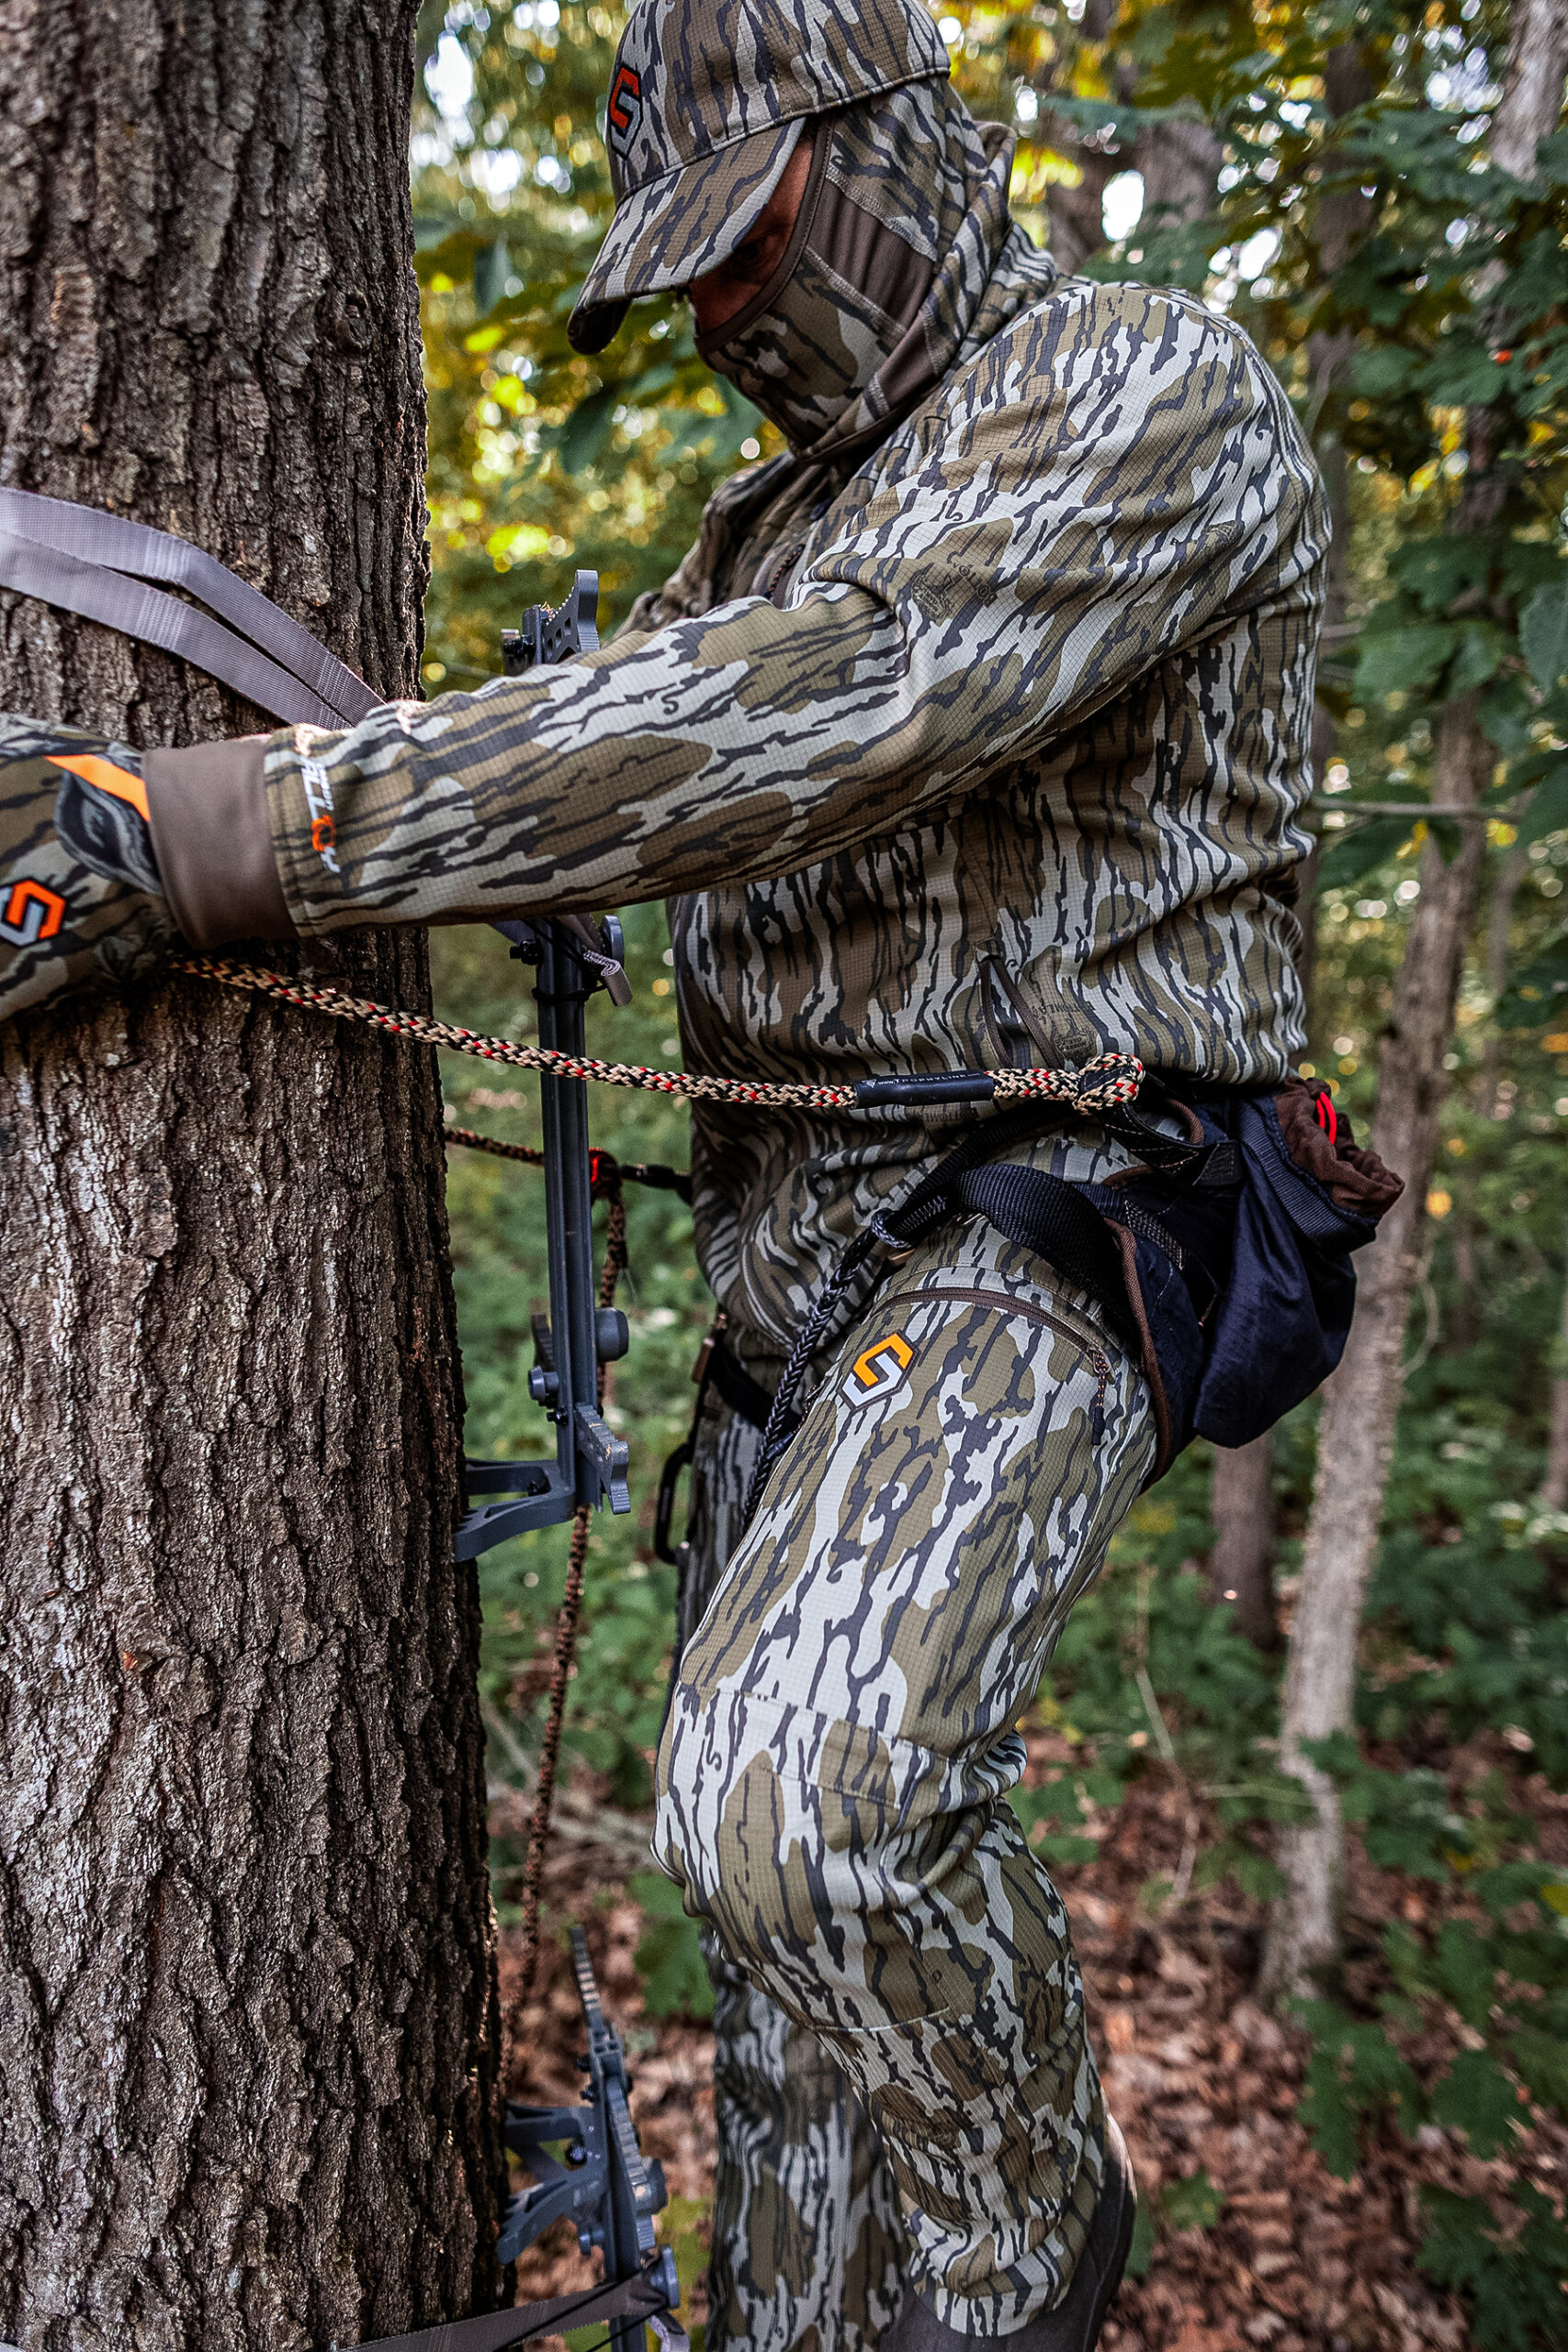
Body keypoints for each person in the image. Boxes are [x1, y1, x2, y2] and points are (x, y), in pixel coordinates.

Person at [0, 0, 1340, 2342]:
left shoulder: (1135, 385)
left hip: (1062, 1201)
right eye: (684, 266)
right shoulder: (766, 521)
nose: (723, 307)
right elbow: (631, 751)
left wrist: (196, 832)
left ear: (891, 144)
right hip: (791, 1287)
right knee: (794, 2002)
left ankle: (1020, 2258)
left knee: (802, 1794)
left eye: (751, 237)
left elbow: (833, 703)